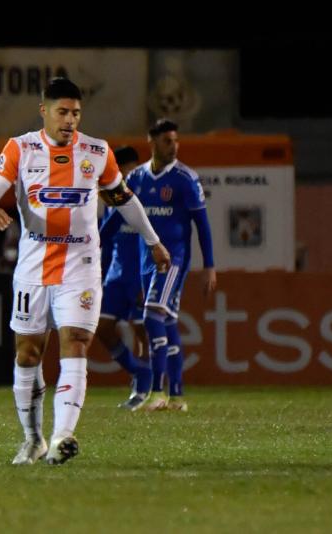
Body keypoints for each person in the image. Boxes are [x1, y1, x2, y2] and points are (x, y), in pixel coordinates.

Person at [0, 78, 170, 465]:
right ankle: (33, 439)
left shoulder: (96, 152)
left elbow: (123, 199)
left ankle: (62, 435)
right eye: (62, 112)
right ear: (44, 112)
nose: (69, 120)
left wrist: (153, 240)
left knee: (76, 342)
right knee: (28, 354)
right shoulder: (20, 148)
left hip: (80, 266)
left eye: (76, 113)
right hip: (33, 267)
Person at [113, 119, 217, 411]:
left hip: (173, 260)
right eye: (167, 141)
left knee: (152, 316)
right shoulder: (137, 177)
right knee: (167, 322)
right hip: (147, 260)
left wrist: (209, 265)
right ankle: (177, 397)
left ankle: (157, 391)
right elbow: (119, 215)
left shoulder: (185, 178)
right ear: (152, 141)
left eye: (176, 141)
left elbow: (202, 225)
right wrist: (97, 240)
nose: (174, 147)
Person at [95, 146, 152, 411]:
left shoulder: (145, 198)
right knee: (103, 328)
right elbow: (106, 241)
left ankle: (145, 390)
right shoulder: (111, 200)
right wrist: (99, 274)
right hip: (116, 276)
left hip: (140, 274)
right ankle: (138, 372)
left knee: (143, 331)